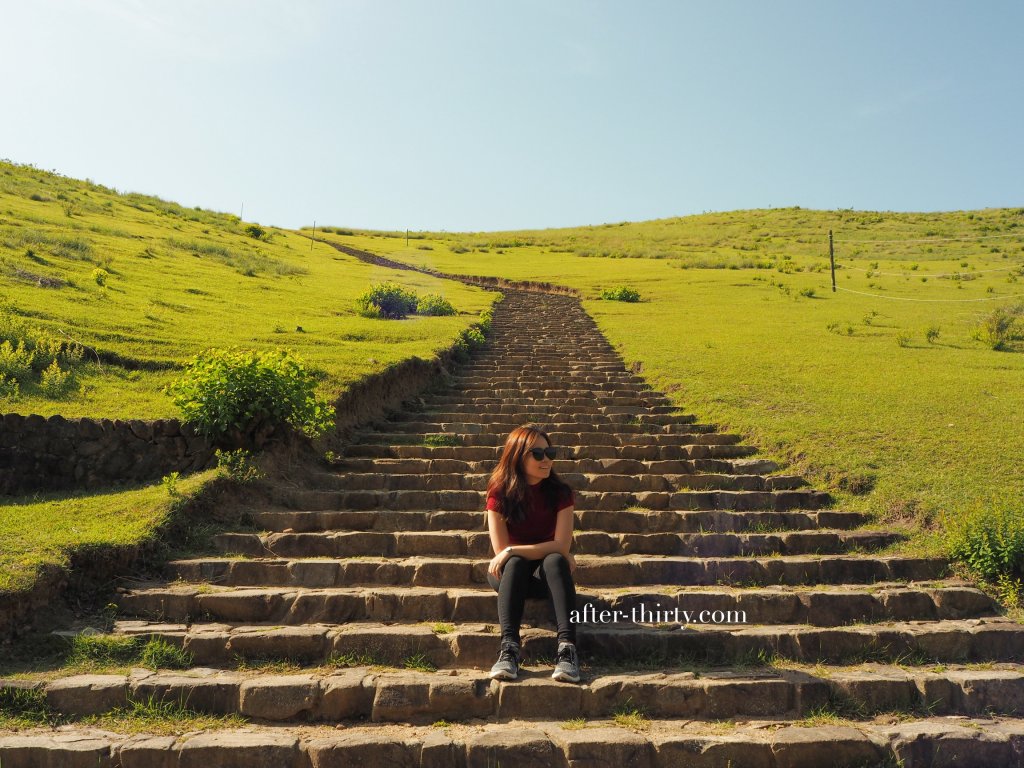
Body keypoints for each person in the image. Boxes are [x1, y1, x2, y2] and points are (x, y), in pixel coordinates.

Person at [484, 424, 580, 683]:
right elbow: (502, 553)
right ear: (517, 456)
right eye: (537, 454)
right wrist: (515, 552)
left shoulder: (561, 493)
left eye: (550, 452)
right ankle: (509, 649)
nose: (546, 459)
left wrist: (516, 549)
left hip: (547, 577)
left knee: (554, 560)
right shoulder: (499, 493)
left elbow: (561, 547)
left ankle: (567, 650)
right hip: (510, 578)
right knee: (514, 563)